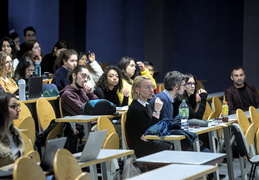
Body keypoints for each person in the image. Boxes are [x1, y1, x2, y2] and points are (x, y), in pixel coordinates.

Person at [126, 76, 172, 158]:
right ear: (137, 90)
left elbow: (157, 127)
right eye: (147, 87)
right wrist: (157, 111)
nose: (152, 90)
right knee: (169, 147)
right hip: (142, 146)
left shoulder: (149, 104)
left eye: (152, 87)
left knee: (174, 142)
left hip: (151, 140)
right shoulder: (135, 108)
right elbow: (149, 131)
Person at [0, 92, 24, 170]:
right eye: (13, 106)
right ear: (2, 110)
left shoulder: (16, 132)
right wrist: (18, 165)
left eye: (18, 105)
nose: (19, 110)